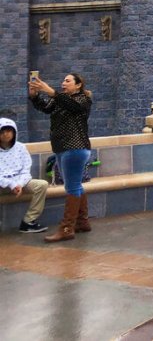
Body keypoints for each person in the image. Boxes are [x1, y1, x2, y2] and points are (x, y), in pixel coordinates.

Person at [28, 72, 93, 242]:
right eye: (63, 80)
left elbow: (72, 106)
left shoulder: (83, 100)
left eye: (68, 80)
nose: (63, 83)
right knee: (75, 185)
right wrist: (34, 96)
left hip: (75, 148)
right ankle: (82, 222)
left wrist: (52, 92)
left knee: (71, 187)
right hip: (62, 148)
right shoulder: (60, 98)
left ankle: (66, 228)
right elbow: (46, 108)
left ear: (78, 85)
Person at [0, 118, 49, 233]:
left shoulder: (21, 147)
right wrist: (12, 185)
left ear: (14, 132)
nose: (5, 134)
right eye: (1, 132)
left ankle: (28, 222)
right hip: (3, 185)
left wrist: (19, 184)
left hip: (20, 183)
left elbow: (26, 170)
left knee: (41, 185)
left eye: (8, 131)